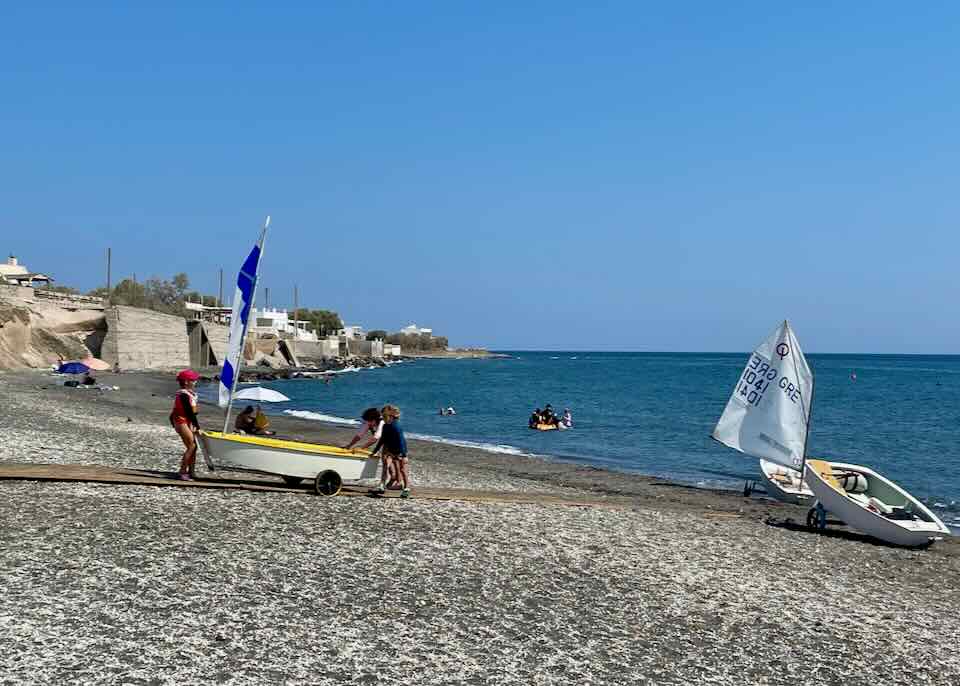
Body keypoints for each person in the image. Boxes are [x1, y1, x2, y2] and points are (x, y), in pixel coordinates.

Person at [369, 404, 409, 498]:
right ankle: (382, 485)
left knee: (402, 470)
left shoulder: (396, 427)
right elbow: (382, 440)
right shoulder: (385, 426)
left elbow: (401, 441)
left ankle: (406, 488)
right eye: (382, 416)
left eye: (384, 416)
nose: (382, 418)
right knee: (385, 466)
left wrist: (404, 455)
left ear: (391, 416)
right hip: (390, 451)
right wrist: (375, 451)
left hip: (400, 451)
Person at [170, 369, 201, 480]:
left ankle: (191, 471)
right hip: (181, 420)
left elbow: (192, 412)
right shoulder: (183, 395)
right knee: (192, 446)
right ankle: (183, 471)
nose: (195, 381)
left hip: (185, 420)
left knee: (194, 447)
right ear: (186, 382)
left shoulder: (189, 394)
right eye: (193, 380)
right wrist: (197, 427)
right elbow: (188, 412)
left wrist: (193, 424)